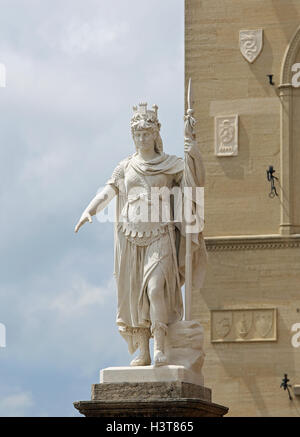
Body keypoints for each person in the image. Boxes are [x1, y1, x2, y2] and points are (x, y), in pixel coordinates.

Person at [75, 103, 206, 367]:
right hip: (131, 238)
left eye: (146, 133)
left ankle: (160, 346)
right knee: (136, 296)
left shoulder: (171, 164)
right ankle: (143, 351)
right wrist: (90, 210)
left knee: (155, 288)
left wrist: (193, 152)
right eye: (137, 134)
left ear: (156, 133)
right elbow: (109, 190)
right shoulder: (125, 166)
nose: (142, 139)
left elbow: (194, 183)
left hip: (161, 235)